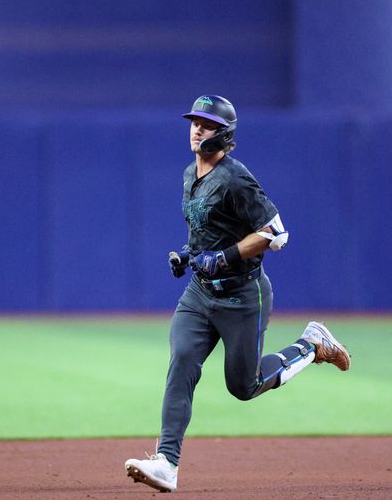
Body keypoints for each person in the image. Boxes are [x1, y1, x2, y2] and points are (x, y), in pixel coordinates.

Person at [124, 95, 351, 493]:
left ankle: (312, 344)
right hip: (200, 294)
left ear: (223, 133)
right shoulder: (189, 174)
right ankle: (167, 463)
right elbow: (207, 232)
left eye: (207, 124)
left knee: (243, 387)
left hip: (243, 296)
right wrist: (188, 254)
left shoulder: (234, 178)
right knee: (182, 361)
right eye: (194, 121)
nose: (197, 128)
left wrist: (225, 257)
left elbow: (277, 233)